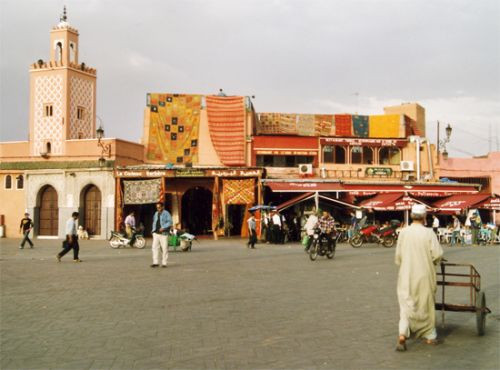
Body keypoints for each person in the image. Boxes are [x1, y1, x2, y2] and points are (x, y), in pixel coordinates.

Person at [395, 204, 443, 351]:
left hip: (406, 274)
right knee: (425, 303)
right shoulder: (428, 233)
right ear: (424, 217)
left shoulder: (403, 233)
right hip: (424, 274)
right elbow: (438, 254)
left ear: (411, 216)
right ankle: (429, 335)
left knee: (406, 304)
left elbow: (398, 257)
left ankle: (402, 333)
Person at [151, 202, 172, 268]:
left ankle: (164, 263)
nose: (158, 209)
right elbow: (154, 221)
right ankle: (155, 262)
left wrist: (163, 227)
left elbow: (170, 222)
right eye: (157, 207)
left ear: (162, 207)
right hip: (156, 233)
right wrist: (153, 230)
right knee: (154, 248)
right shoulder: (156, 213)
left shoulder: (166, 213)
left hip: (163, 234)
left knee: (164, 248)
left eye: (159, 207)